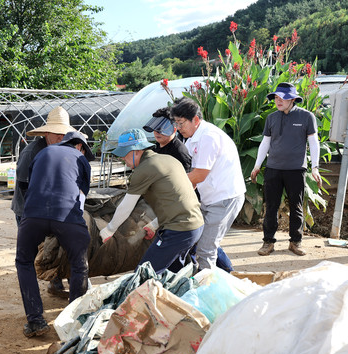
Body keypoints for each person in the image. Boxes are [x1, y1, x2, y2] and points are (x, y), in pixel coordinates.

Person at [15, 131, 95, 337]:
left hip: (32, 214)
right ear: (80, 147)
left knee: (24, 262)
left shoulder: (43, 152)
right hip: (67, 215)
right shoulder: (81, 159)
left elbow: (31, 185)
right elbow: (81, 197)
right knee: (79, 264)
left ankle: (35, 320)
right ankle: (73, 320)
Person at [99, 129, 204, 274]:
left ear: (136, 151)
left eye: (125, 154)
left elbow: (126, 206)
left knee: (144, 273)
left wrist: (109, 229)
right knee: (175, 275)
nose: (123, 158)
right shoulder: (169, 160)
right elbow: (178, 198)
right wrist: (154, 225)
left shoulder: (144, 169)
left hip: (179, 230)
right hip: (195, 225)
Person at [144, 107, 234, 272]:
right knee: (204, 242)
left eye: (161, 128)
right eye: (154, 128)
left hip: (195, 202)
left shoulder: (181, 151)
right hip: (186, 203)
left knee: (203, 245)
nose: (157, 133)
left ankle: (223, 273)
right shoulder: (160, 149)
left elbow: (191, 181)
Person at [170, 97, 246, 270]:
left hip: (224, 198)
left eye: (181, 123)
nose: (178, 128)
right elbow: (193, 178)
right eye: (176, 124)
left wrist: (170, 185)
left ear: (195, 120)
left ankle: (207, 291)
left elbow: (198, 175)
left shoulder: (209, 137)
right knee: (199, 241)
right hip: (210, 198)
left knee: (206, 250)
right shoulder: (192, 138)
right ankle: (225, 274)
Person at [250, 82, 321, 256]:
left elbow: (313, 142)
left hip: (296, 169)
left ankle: (295, 242)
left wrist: (316, 167)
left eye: (283, 97)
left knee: (296, 206)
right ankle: (268, 242)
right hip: (273, 169)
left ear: (293, 99)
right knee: (271, 207)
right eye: (276, 97)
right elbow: (265, 142)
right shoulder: (272, 118)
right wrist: (257, 165)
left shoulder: (306, 117)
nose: (278, 100)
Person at [11, 106, 73, 298]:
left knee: (55, 246)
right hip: (27, 208)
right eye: (57, 134)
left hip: (52, 207)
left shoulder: (65, 148)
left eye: (64, 134)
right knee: (34, 251)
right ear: (46, 133)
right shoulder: (31, 153)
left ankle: (56, 282)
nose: (61, 138)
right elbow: (23, 186)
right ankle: (48, 284)